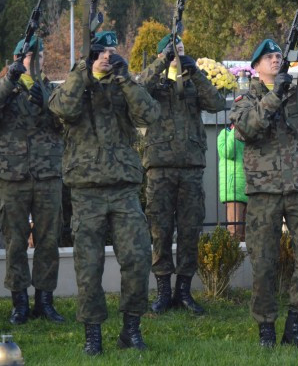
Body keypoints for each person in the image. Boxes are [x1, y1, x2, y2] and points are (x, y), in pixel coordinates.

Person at [49, 31, 160, 356]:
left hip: (124, 188)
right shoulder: (75, 84)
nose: (106, 56)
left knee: (137, 258)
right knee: (89, 266)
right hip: (87, 190)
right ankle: (92, 334)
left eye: (111, 51)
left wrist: (125, 78)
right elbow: (62, 109)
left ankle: (131, 329)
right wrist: (83, 70)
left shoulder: (124, 86)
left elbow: (150, 114)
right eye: (100, 51)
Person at [229, 21, 298, 350]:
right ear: (256, 66)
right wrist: (275, 95)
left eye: (278, 56)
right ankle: (266, 329)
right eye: (269, 57)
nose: (276, 59)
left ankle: (296, 325)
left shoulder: (296, 94)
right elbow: (247, 128)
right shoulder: (246, 98)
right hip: (265, 193)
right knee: (264, 264)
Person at [0, 37, 66, 325]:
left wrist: (47, 103)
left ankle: (45, 300)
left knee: (48, 240)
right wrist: (9, 81)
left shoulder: (53, 90)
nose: (34, 60)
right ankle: (19, 302)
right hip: (13, 175)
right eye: (28, 55)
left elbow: (68, 120)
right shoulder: (2, 88)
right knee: (15, 241)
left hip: (47, 174)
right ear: (17, 58)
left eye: (38, 56)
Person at [137, 34, 225, 315]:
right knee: (160, 230)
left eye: (182, 49)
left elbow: (217, 103)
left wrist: (194, 71)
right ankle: (163, 290)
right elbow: (136, 91)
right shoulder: (155, 83)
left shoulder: (193, 81)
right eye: (173, 50)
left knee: (190, 230)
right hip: (160, 167)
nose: (178, 52)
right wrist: (161, 63)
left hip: (191, 167)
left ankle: (183, 291)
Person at [217, 123, 247, 240]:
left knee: (249, 233)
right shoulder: (224, 134)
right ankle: (234, 252)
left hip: (250, 188)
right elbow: (227, 152)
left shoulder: (248, 134)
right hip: (234, 189)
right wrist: (234, 131)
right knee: (235, 231)